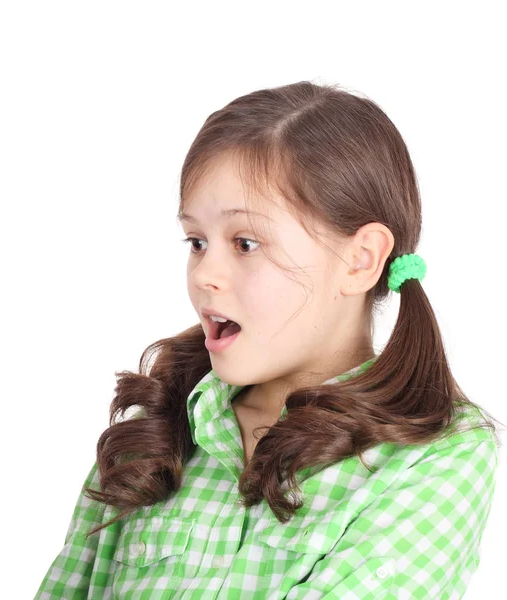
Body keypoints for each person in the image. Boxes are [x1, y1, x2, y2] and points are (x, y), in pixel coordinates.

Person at [33, 81, 502, 599]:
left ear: (360, 259)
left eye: (246, 243)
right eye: (196, 241)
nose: (205, 273)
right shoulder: (157, 434)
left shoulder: (436, 455)